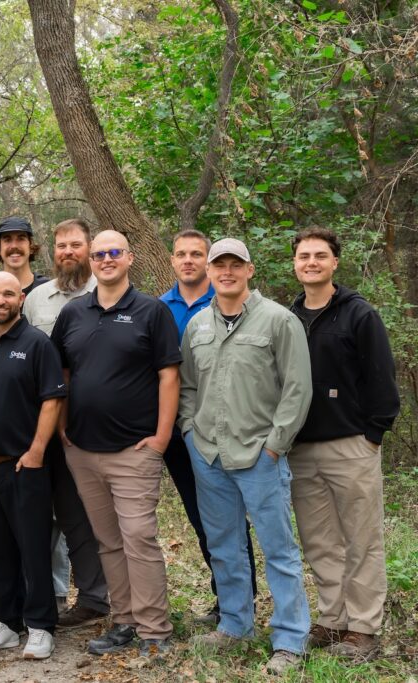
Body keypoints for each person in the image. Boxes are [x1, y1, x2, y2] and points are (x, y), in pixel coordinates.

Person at [180, 238, 312, 675]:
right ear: (210, 273)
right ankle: (236, 624)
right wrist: (188, 433)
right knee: (224, 546)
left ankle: (290, 638)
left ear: (249, 271)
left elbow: (297, 389)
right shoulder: (197, 325)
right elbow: (187, 387)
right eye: (220, 266)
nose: (227, 272)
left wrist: (276, 445)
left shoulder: (279, 320)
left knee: (279, 549)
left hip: (260, 455)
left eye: (236, 265)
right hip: (209, 455)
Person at [51, 230, 179, 657]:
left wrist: (161, 437)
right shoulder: (73, 314)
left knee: (139, 536)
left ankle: (154, 628)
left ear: (129, 258)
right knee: (108, 540)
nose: (106, 259)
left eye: (114, 252)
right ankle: (123, 621)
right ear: (90, 259)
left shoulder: (151, 311)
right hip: (84, 451)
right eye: (99, 253)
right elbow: (63, 375)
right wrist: (64, 429)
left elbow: (168, 376)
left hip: (134, 450)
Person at [288, 227, 400, 657]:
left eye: (320, 255)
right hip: (302, 449)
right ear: (294, 264)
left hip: (352, 445)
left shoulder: (358, 314)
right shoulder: (289, 317)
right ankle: (333, 620)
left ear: (335, 262)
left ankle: (364, 628)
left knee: (361, 538)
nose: (311, 262)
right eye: (304, 256)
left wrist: (374, 434)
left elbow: (381, 378)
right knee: (319, 540)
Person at [0, 272, 66, 660]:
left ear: (21, 298)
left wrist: (37, 450)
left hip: (25, 464)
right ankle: (4, 621)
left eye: (8, 293)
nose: (0, 300)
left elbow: (52, 400)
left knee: (33, 546)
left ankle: (39, 626)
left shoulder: (38, 345)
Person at [158, 229, 257, 622]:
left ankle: (242, 601)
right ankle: (226, 602)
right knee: (202, 518)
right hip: (179, 430)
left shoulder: (223, 302)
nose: (188, 261)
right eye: (181, 254)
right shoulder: (158, 308)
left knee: (232, 517)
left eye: (196, 254)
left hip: (226, 429)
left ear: (207, 260)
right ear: (172, 260)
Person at [22, 218, 109, 628]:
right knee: (44, 515)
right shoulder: (36, 299)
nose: (67, 252)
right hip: (41, 426)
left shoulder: (109, 295)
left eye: (76, 244)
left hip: (92, 428)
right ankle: (42, 597)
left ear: (90, 249)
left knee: (86, 516)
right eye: (61, 246)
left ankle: (96, 598)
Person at [0, 216, 49, 295]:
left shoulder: (47, 289)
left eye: (21, 239)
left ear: (31, 247)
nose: (14, 246)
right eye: (7, 240)